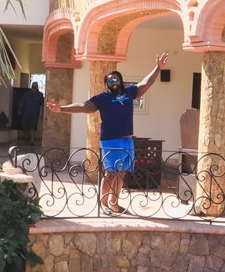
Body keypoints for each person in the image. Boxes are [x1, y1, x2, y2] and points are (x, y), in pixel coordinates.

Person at [46, 52, 169, 215]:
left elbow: (146, 83)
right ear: (107, 84)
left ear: (120, 81)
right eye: (110, 80)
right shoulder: (102, 98)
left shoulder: (129, 92)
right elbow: (83, 106)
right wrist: (61, 109)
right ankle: (103, 204)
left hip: (127, 140)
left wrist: (158, 68)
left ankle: (114, 203)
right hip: (111, 140)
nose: (113, 82)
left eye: (116, 79)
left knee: (121, 172)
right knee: (111, 172)